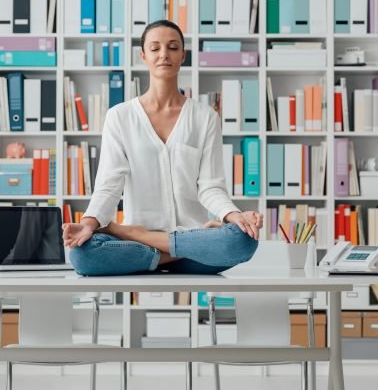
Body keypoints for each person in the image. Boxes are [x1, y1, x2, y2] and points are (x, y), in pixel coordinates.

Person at [63, 20, 262, 276]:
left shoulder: (205, 117)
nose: (164, 54)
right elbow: (109, 183)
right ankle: (172, 253)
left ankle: (137, 239)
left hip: (183, 235)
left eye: (172, 47)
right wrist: (89, 224)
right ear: (143, 55)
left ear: (183, 56)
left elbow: (211, 186)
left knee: (243, 241)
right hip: (190, 251)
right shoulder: (119, 117)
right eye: (155, 48)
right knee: (82, 256)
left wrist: (233, 215)